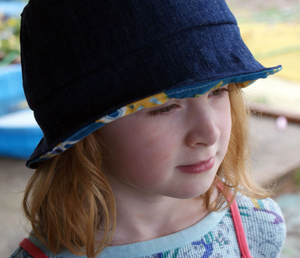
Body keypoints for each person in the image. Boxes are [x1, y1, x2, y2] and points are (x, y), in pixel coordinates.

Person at [11, 0, 286, 257]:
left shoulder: (257, 227)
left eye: (219, 91)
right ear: (86, 133)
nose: (209, 133)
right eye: (164, 107)